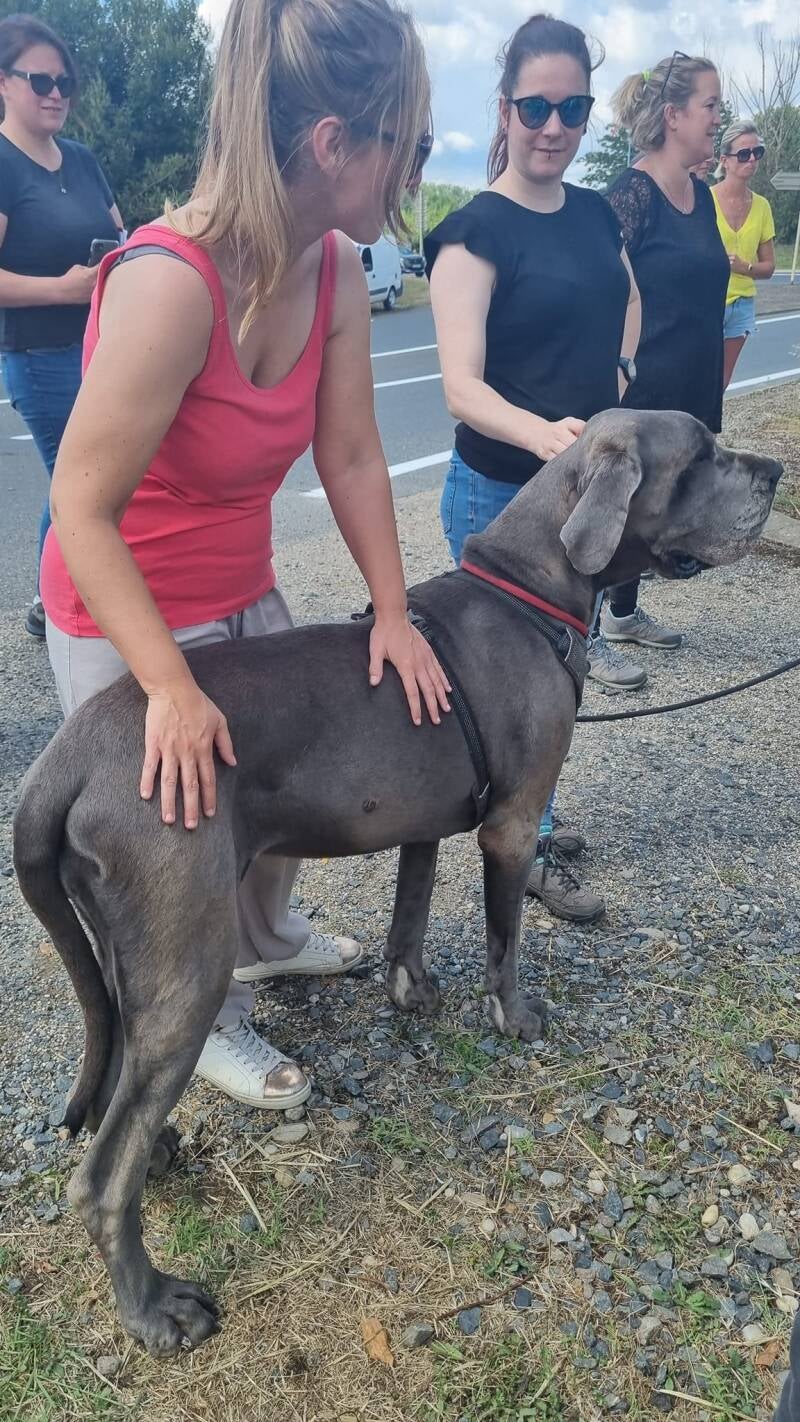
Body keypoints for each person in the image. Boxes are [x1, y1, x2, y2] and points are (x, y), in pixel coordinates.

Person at [40, 0, 449, 1111]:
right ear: (333, 143)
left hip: (240, 584)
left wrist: (393, 612)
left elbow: (353, 455)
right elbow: (79, 507)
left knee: (289, 778)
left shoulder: (335, 265)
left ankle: (267, 940)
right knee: (182, 839)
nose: (415, 172)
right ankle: (202, 1016)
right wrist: (168, 689)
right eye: (407, 146)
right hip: (125, 604)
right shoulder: (171, 282)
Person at [425, 12, 642, 923]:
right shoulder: (475, 231)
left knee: (562, 671)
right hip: (500, 497)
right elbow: (460, 388)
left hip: (580, 497)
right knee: (515, 688)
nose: (555, 126)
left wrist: (620, 377)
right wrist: (551, 439)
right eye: (536, 106)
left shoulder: (594, 213)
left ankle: (535, 817)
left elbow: (628, 296)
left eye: (573, 108)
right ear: (505, 107)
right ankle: (525, 839)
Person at [593, 52, 729, 660]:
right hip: (641, 394)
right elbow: (598, 286)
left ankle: (621, 615)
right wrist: (615, 374)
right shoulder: (632, 193)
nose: (718, 117)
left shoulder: (701, 195)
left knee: (654, 511)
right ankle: (585, 632)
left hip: (690, 387)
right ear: (673, 115)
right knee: (618, 509)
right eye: (711, 105)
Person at [0, 14, 122, 639]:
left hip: (103, 347)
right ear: (4, 82)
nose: (56, 93)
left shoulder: (81, 158)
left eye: (65, 82)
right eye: (41, 80)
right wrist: (63, 289)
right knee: (82, 484)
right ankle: (65, 605)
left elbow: (121, 231)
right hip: (40, 356)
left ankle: (52, 597)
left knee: (85, 483)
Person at [712, 121, 775, 388]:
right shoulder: (704, 200)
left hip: (741, 305)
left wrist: (744, 267)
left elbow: (769, 267)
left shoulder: (762, 206)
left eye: (757, 152)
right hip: (708, 301)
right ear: (724, 160)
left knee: (722, 381)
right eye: (743, 154)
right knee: (698, 374)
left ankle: (711, 419)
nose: (751, 159)